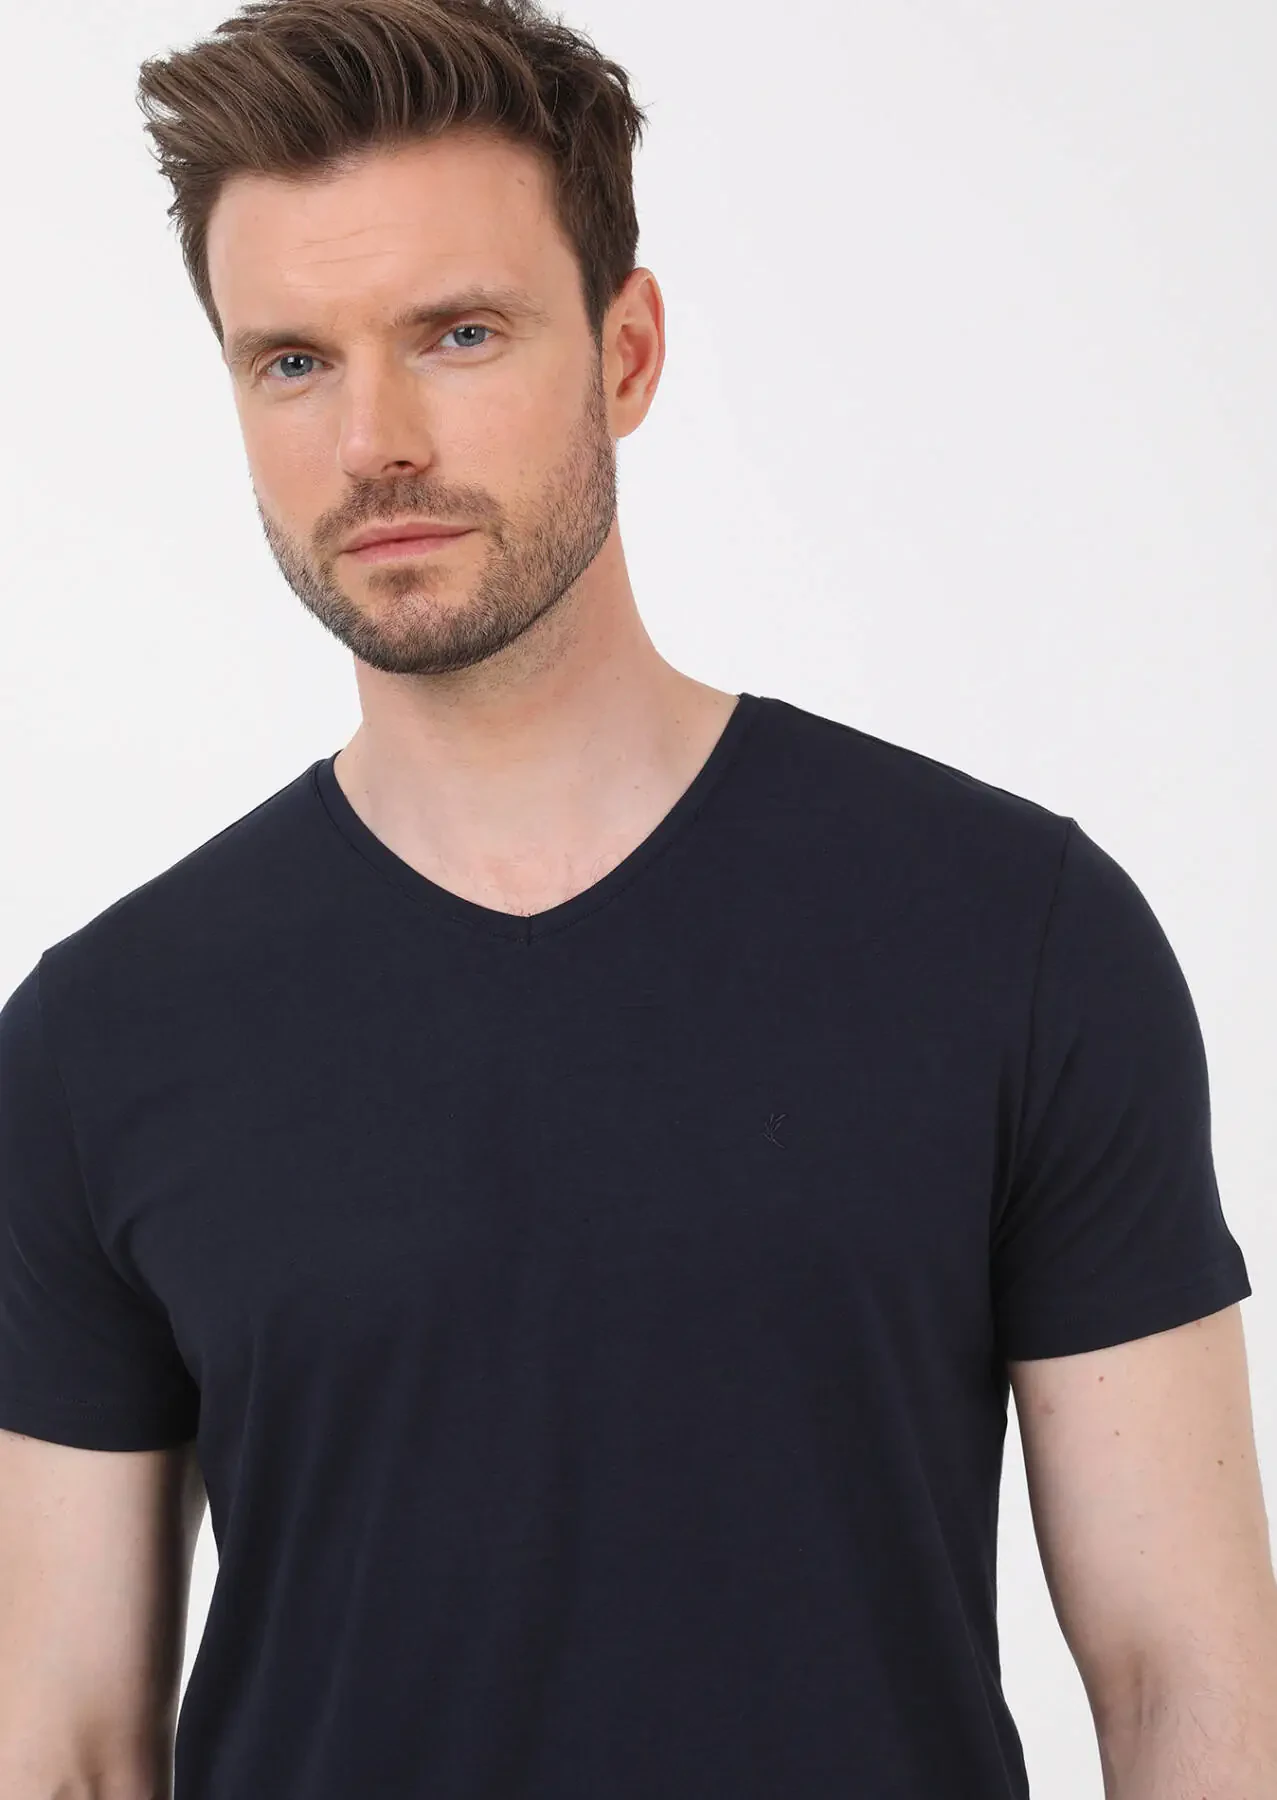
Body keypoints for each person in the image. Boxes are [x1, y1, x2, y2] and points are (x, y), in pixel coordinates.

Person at [0, 3, 1266, 1798]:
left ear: (628, 351)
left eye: (458, 333)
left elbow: (1184, 1683)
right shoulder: (100, 1041)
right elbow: (63, 1750)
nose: (372, 442)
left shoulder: (1017, 939)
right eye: (291, 361)